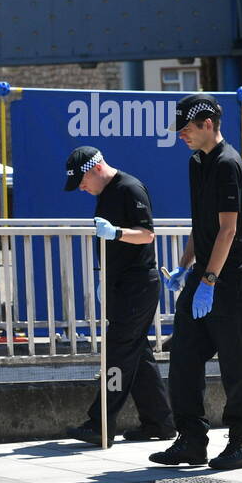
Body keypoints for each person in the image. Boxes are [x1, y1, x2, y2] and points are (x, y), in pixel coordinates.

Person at [152, 94, 242, 471]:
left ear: (208, 124)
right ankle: (191, 440)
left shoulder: (228, 163)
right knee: (183, 357)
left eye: (187, 128)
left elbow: (228, 230)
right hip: (204, 276)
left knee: (237, 366)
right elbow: (203, 224)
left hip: (230, 281)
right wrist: (185, 267)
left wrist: (210, 279)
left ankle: (241, 443)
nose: (182, 135)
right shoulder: (197, 162)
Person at [62, 146, 174, 445]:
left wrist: (116, 233)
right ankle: (159, 423)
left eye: (82, 182)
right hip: (121, 284)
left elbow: (147, 234)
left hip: (137, 284)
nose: (82, 189)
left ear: (95, 169)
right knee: (137, 353)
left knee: (118, 352)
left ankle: (100, 423)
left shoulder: (129, 188)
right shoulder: (106, 192)